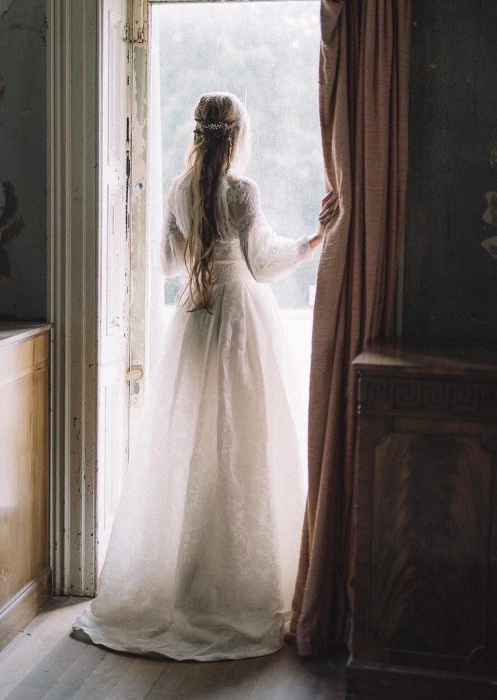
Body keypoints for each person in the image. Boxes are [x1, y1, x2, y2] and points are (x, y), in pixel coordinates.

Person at [73, 92, 327, 661]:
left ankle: (184, 585)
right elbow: (262, 263)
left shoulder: (180, 189)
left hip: (194, 320)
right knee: (242, 448)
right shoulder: (242, 191)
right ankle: (239, 588)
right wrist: (313, 242)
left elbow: (166, 263)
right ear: (236, 134)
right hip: (239, 319)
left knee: (190, 446)